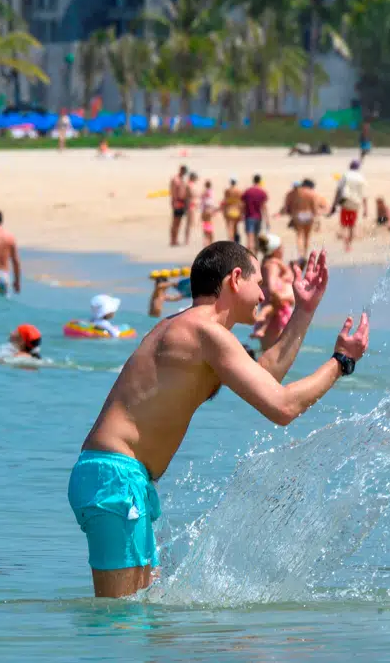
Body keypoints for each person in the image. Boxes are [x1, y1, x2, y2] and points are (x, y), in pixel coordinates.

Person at [68, 244, 369, 597]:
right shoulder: (203, 333)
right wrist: (340, 362)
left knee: (142, 620)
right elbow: (283, 407)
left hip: (121, 477)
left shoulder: (195, 330)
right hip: (114, 478)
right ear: (235, 279)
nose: (262, 294)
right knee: (120, 623)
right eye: (258, 283)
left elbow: (265, 376)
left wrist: (304, 310)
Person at [251, 233, 295, 351]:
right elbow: (272, 287)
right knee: (273, 355)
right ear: (276, 250)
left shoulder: (266, 263)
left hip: (275, 312)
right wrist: (282, 297)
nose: (283, 249)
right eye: (281, 247)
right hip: (276, 315)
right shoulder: (272, 265)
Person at [333, 160, 368, 252]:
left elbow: (338, 190)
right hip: (356, 203)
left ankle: (345, 244)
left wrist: (334, 203)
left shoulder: (345, 175)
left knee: (344, 225)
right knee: (352, 225)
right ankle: (349, 245)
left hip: (346, 201)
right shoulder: (361, 177)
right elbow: (364, 195)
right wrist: (365, 209)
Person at [289, 180, 320, 255]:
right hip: (309, 214)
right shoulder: (311, 193)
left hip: (299, 214)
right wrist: (317, 220)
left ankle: (300, 254)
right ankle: (305, 253)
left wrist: (293, 216)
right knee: (307, 235)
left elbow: (292, 205)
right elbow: (314, 207)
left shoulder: (297, 193)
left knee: (299, 234)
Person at [240, 175, 269, 253]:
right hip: (258, 217)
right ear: (259, 181)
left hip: (249, 216)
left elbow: (243, 205)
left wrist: (241, 215)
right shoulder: (262, 192)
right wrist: (267, 219)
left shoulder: (248, 191)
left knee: (250, 238)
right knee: (256, 238)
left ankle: (249, 258)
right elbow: (264, 207)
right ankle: (255, 257)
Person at [168, 166, 190, 247]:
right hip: (177, 202)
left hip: (182, 202)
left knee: (179, 222)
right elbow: (173, 192)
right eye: (184, 171)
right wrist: (174, 202)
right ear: (181, 170)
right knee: (175, 222)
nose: (184, 173)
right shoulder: (175, 179)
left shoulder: (182, 180)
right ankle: (172, 239)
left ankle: (175, 239)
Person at [221, 177, 244, 243]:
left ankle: (231, 242)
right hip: (237, 210)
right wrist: (242, 212)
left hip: (229, 210)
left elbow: (225, 201)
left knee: (230, 228)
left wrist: (224, 211)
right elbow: (241, 202)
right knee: (235, 227)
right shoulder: (239, 191)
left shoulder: (227, 190)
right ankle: (235, 242)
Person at [183, 172, 200, 246]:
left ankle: (189, 240)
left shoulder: (192, 185)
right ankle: (187, 240)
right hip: (190, 206)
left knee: (193, 223)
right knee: (189, 223)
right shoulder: (189, 185)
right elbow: (189, 195)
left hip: (194, 205)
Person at [198, 180, 217, 246]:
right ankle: (210, 240)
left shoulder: (203, 192)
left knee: (205, 225)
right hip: (209, 209)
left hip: (204, 210)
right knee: (210, 225)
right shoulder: (211, 192)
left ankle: (206, 240)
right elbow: (211, 202)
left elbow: (202, 201)